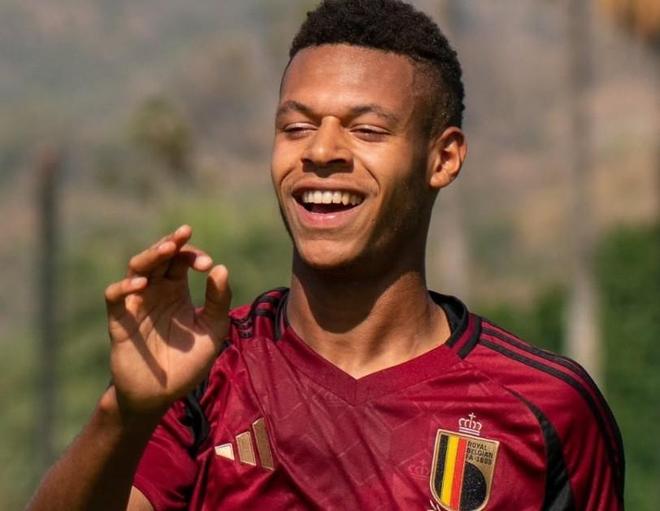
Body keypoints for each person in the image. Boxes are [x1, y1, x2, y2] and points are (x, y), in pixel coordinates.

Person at [27, 1, 624, 510]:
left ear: (442, 158)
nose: (321, 151)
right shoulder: (203, 375)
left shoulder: (547, 409)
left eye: (367, 130)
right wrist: (123, 414)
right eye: (296, 127)